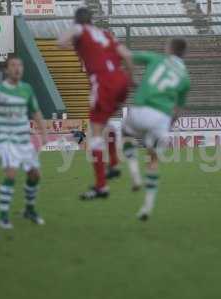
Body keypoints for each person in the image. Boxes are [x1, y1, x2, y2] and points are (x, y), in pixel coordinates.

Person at [58, 7, 134, 200]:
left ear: (78, 21)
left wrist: (75, 38)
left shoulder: (80, 30)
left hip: (103, 83)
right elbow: (128, 56)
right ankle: (114, 165)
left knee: (95, 132)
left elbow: (60, 42)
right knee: (105, 122)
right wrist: (131, 79)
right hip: (122, 80)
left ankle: (101, 186)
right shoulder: (106, 34)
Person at [0, 56, 48, 230]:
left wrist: (44, 133)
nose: (17, 68)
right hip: (7, 140)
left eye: (20, 65)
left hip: (24, 141)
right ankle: (3, 217)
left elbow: (36, 113)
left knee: (35, 175)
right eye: (13, 65)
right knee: (11, 174)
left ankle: (29, 210)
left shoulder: (27, 89)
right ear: (6, 70)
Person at [122, 39, 190, 221]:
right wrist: (167, 126)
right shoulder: (185, 78)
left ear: (169, 49)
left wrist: (131, 77)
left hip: (141, 109)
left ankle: (135, 174)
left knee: (125, 134)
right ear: (183, 54)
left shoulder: (157, 58)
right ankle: (147, 207)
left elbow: (126, 55)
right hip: (162, 119)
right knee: (153, 161)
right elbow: (178, 111)